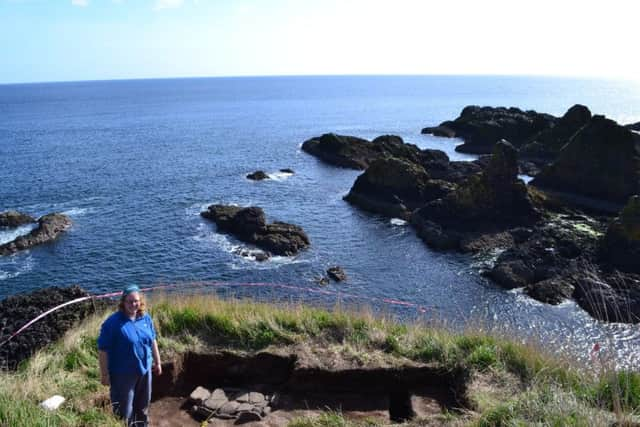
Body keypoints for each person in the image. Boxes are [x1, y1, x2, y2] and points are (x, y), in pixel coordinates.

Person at [98, 285, 162, 426]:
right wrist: (104, 375)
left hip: (145, 371)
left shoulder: (145, 318)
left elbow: (153, 340)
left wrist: (157, 362)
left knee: (143, 406)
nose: (133, 304)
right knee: (124, 411)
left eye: (136, 301)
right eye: (130, 301)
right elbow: (103, 350)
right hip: (123, 375)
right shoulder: (112, 323)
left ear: (141, 301)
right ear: (123, 302)